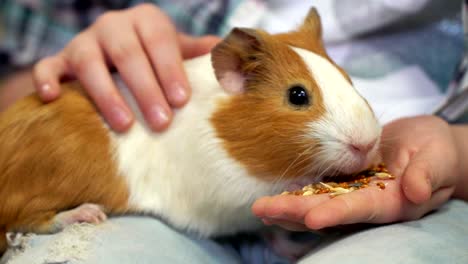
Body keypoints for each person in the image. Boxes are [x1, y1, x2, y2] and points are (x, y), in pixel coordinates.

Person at [1, 1, 468, 263]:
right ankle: (32, 214)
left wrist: (454, 145)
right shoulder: (206, 124)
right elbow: (213, 204)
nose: (363, 137)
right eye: (300, 99)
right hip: (150, 211)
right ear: (237, 76)